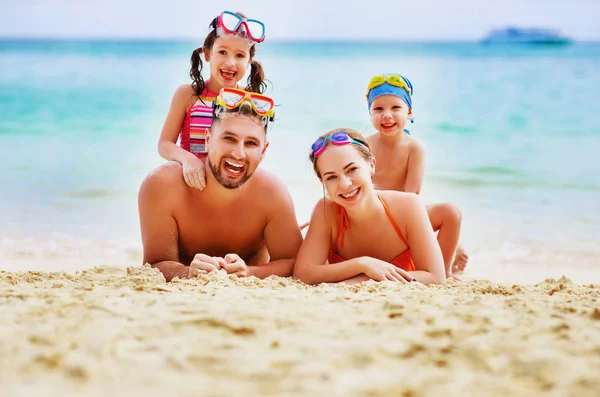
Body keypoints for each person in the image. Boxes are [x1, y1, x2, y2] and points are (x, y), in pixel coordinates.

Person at [139, 88, 302, 281]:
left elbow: (292, 262)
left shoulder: (273, 194)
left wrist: (250, 272)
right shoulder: (163, 186)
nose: (238, 153)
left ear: (263, 151)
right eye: (229, 139)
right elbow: (154, 264)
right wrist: (186, 273)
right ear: (208, 140)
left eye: (250, 143)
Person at [293, 129, 446, 285]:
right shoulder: (326, 210)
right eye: (332, 177)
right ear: (323, 182)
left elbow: (435, 278)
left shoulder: (409, 205)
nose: (345, 184)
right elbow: (303, 273)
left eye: (352, 169)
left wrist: (364, 278)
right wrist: (362, 264)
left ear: (371, 165)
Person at [364, 74, 468, 278]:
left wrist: (398, 219)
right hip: (368, 218)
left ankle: (443, 269)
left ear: (409, 112)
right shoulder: (364, 146)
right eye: (378, 109)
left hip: (402, 217)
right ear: (370, 114)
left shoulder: (414, 148)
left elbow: (413, 194)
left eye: (396, 108)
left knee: (450, 213)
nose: (387, 115)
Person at [157, 11, 268, 191]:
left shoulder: (250, 101)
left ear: (249, 61)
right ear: (208, 54)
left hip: (229, 190)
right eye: (222, 52)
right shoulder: (188, 95)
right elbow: (164, 144)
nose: (231, 62)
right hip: (191, 185)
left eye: (240, 55)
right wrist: (189, 160)